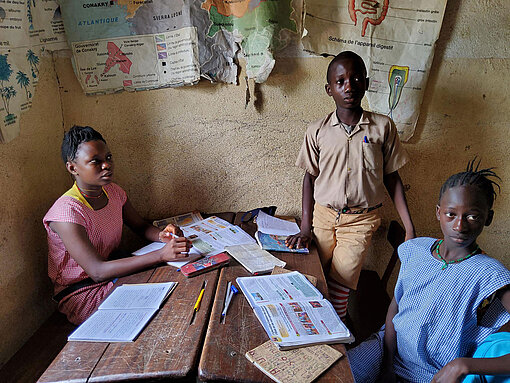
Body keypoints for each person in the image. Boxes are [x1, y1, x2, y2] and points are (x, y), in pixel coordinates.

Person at [347, 160, 510, 383]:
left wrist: (463, 365)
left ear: (488, 218)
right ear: (438, 212)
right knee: (337, 374)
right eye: (451, 214)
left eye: (473, 216)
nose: (460, 226)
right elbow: (395, 308)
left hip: (433, 375)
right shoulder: (416, 249)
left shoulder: (490, 274)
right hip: (387, 350)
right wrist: (386, 367)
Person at [286, 51, 415, 319]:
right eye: (341, 81)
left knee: (339, 288)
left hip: (361, 221)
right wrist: (305, 227)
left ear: (366, 84)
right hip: (323, 216)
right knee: (311, 277)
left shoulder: (382, 128)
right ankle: (313, 330)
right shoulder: (317, 130)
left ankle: (338, 339)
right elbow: (309, 178)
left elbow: (392, 178)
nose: (349, 86)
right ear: (329, 89)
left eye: (356, 79)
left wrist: (410, 228)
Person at [43, 125, 195, 324]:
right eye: (95, 161)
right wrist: (160, 254)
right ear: (73, 168)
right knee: (167, 303)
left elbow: (140, 226)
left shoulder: (113, 192)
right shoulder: (67, 212)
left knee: (180, 281)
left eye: (108, 158)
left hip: (114, 273)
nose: (106, 165)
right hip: (84, 293)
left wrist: (162, 235)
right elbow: (97, 272)